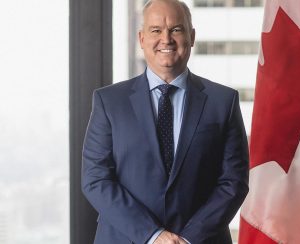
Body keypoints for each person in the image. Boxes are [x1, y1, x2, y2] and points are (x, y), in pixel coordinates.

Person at [81, 0, 249, 243]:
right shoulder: (109, 102)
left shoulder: (223, 101)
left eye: (176, 29)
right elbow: (96, 179)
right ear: (141, 39)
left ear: (191, 37)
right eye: (156, 30)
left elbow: (233, 182)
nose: (166, 39)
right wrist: (153, 235)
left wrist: (188, 239)